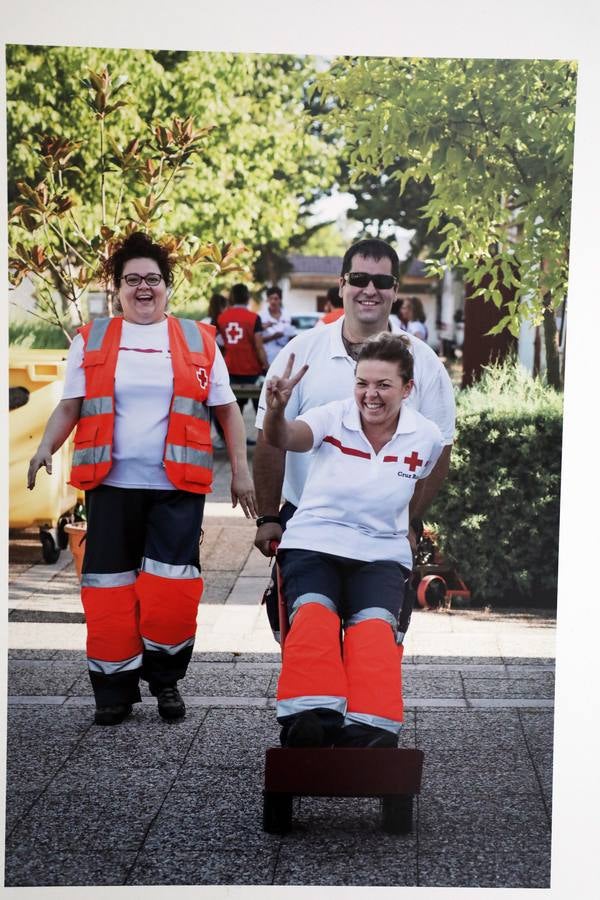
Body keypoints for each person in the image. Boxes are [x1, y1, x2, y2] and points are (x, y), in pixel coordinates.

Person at [27, 232, 257, 727]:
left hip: (177, 488)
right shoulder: (93, 340)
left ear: (168, 286)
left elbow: (228, 412)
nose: (144, 288)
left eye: (153, 278)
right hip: (109, 486)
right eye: (132, 279)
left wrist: (241, 472)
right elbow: (70, 405)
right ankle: (113, 689)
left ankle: (165, 680)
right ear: (117, 289)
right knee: (109, 589)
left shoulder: (198, 339)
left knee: (170, 590)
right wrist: (45, 445)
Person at [263, 334, 443, 747]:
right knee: (314, 616)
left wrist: (404, 526)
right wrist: (276, 412)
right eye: (362, 383)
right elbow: (286, 437)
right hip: (315, 541)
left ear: (407, 388)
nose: (370, 394)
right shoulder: (333, 416)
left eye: (383, 385)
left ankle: (370, 727)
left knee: (375, 630)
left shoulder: (426, 436)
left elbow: (418, 485)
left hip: (381, 551)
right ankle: (310, 717)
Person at [253, 238, 455, 571]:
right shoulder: (300, 353)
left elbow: (439, 451)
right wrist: (269, 516)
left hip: (386, 534)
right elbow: (270, 441)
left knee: (377, 624)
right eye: (360, 279)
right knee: (304, 622)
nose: (370, 290)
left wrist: (410, 521)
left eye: (382, 281)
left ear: (395, 289)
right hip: (306, 526)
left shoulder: (426, 363)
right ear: (342, 284)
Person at [217, 283, 268, 435]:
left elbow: (217, 343)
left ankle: (232, 442)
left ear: (231, 298)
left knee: (232, 414)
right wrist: (266, 366)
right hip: (252, 371)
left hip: (230, 370)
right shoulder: (253, 318)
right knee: (261, 411)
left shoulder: (221, 318)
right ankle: (262, 443)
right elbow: (259, 347)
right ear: (247, 298)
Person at [260, 285, 296, 365]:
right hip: (268, 356)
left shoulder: (287, 314)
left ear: (280, 300)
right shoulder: (261, 316)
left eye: (276, 299)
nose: (273, 301)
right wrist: (273, 337)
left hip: (284, 355)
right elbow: (257, 341)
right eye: (270, 298)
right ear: (267, 300)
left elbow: (290, 335)